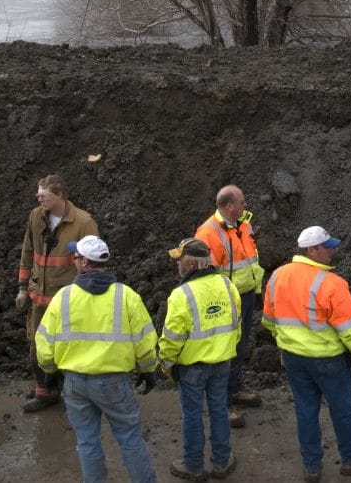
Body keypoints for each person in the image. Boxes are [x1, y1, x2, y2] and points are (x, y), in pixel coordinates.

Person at [35, 235, 159, 483]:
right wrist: (148, 370)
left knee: (87, 442)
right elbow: (145, 342)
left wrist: (49, 372)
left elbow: (44, 343)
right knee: (130, 438)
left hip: (75, 383)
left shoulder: (64, 297)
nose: (74, 260)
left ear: (83, 263)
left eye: (76, 256)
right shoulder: (126, 296)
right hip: (113, 382)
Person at [262, 226, 351, 482]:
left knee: (305, 410)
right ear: (311, 250)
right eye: (327, 246)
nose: (332, 250)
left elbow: (268, 320)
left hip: (293, 359)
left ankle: (311, 467)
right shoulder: (331, 284)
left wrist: (284, 343)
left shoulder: (278, 276)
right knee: (343, 409)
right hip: (329, 362)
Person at [159, 237, 242, 481]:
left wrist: (167, 364)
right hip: (222, 363)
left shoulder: (181, 295)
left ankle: (194, 466)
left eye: (180, 261)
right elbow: (236, 325)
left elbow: (172, 338)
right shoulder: (227, 285)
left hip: (192, 368)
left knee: (192, 414)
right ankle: (222, 461)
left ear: (193, 264)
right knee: (218, 409)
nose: (177, 265)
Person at [16, 174, 98, 412]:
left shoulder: (83, 223)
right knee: (37, 346)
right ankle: (45, 391)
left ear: (60, 195)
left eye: (45, 195)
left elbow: (93, 261)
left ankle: (72, 391)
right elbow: (27, 251)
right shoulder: (36, 217)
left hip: (68, 301)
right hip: (39, 299)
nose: (39, 199)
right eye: (38, 195)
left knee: (70, 347)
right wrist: (22, 288)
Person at [193, 185, 265, 428]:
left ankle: (235, 389)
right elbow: (205, 274)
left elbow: (250, 259)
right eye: (241, 201)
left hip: (244, 295)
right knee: (225, 350)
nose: (245, 204)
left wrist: (256, 290)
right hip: (224, 301)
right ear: (228, 206)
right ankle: (222, 403)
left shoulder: (243, 224)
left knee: (240, 346)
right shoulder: (207, 232)